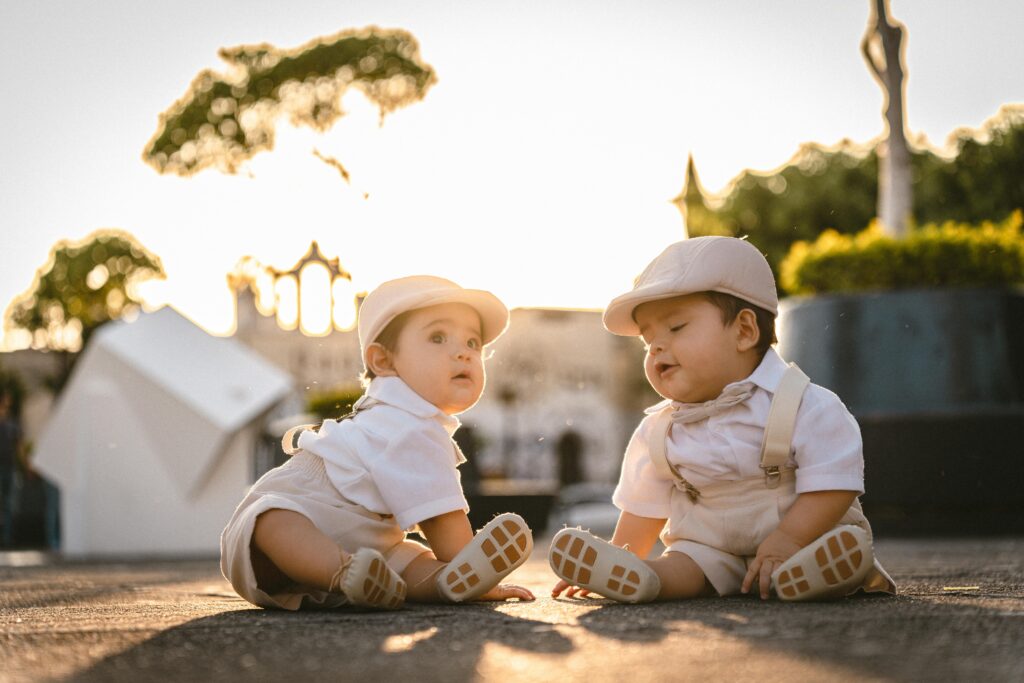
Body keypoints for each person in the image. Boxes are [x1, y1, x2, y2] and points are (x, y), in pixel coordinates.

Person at [550, 237, 896, 603]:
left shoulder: (805, 404)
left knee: (829, 551)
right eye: (647, 341)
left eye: (676, 327)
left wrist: (788, 540)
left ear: (745, 331)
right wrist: (618, 556)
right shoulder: (660, 430)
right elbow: (643, 508)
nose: (657, 348)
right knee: (683, 563)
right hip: (712, 549)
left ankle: (820, 574)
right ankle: (643, 577)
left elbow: (834, 484)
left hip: (803, 539)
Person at [222, 276, 535, 610]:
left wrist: (456, 567)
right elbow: (442, 520)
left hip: (366, 544)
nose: (463, 354)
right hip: (289, 528)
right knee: (272, 519)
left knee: (408, 560)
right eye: (438, 337)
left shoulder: (410, 421)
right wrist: (465, 558)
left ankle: (443, 582)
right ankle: (350, 573)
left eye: (474, 343)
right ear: (384, 361)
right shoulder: (407, 426)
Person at [0, 390, 23, 547]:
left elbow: (19, 447)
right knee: (7, 505)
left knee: (8, 505)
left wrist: (25, 466)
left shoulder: (13, 424)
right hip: (6, 467)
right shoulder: (11, 424)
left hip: (10, 467)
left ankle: (7, 538)